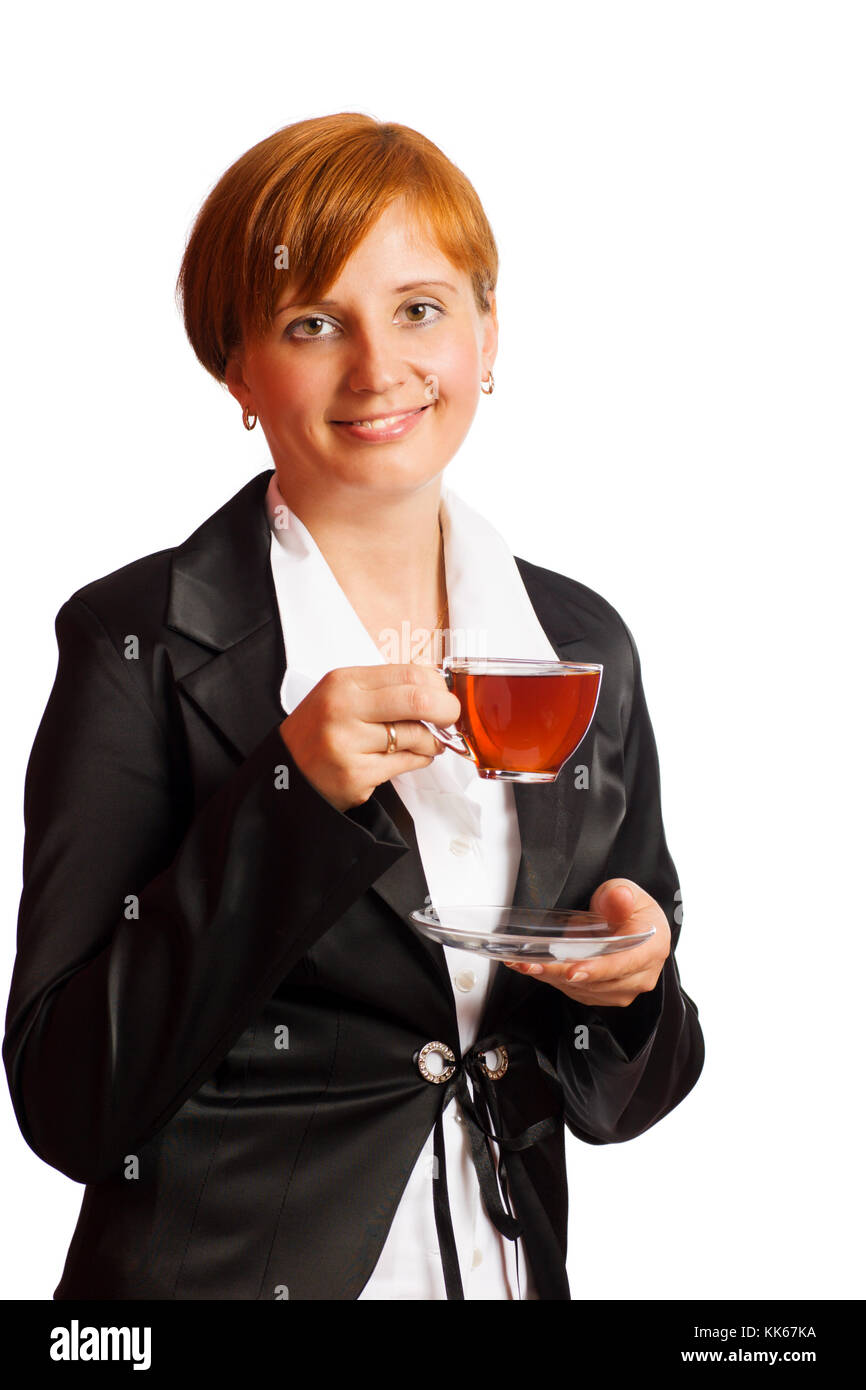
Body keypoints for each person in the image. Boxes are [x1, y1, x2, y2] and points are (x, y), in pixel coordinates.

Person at [3, 112, 704, 1301]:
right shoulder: (139, 641)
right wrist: (289, 799)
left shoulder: (577, 646)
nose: (379, 369)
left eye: (421, 309)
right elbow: (71, 1103)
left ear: (489, 335)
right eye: (313, 322)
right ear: (235, 369)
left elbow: (617, 1097)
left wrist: (636, 989)